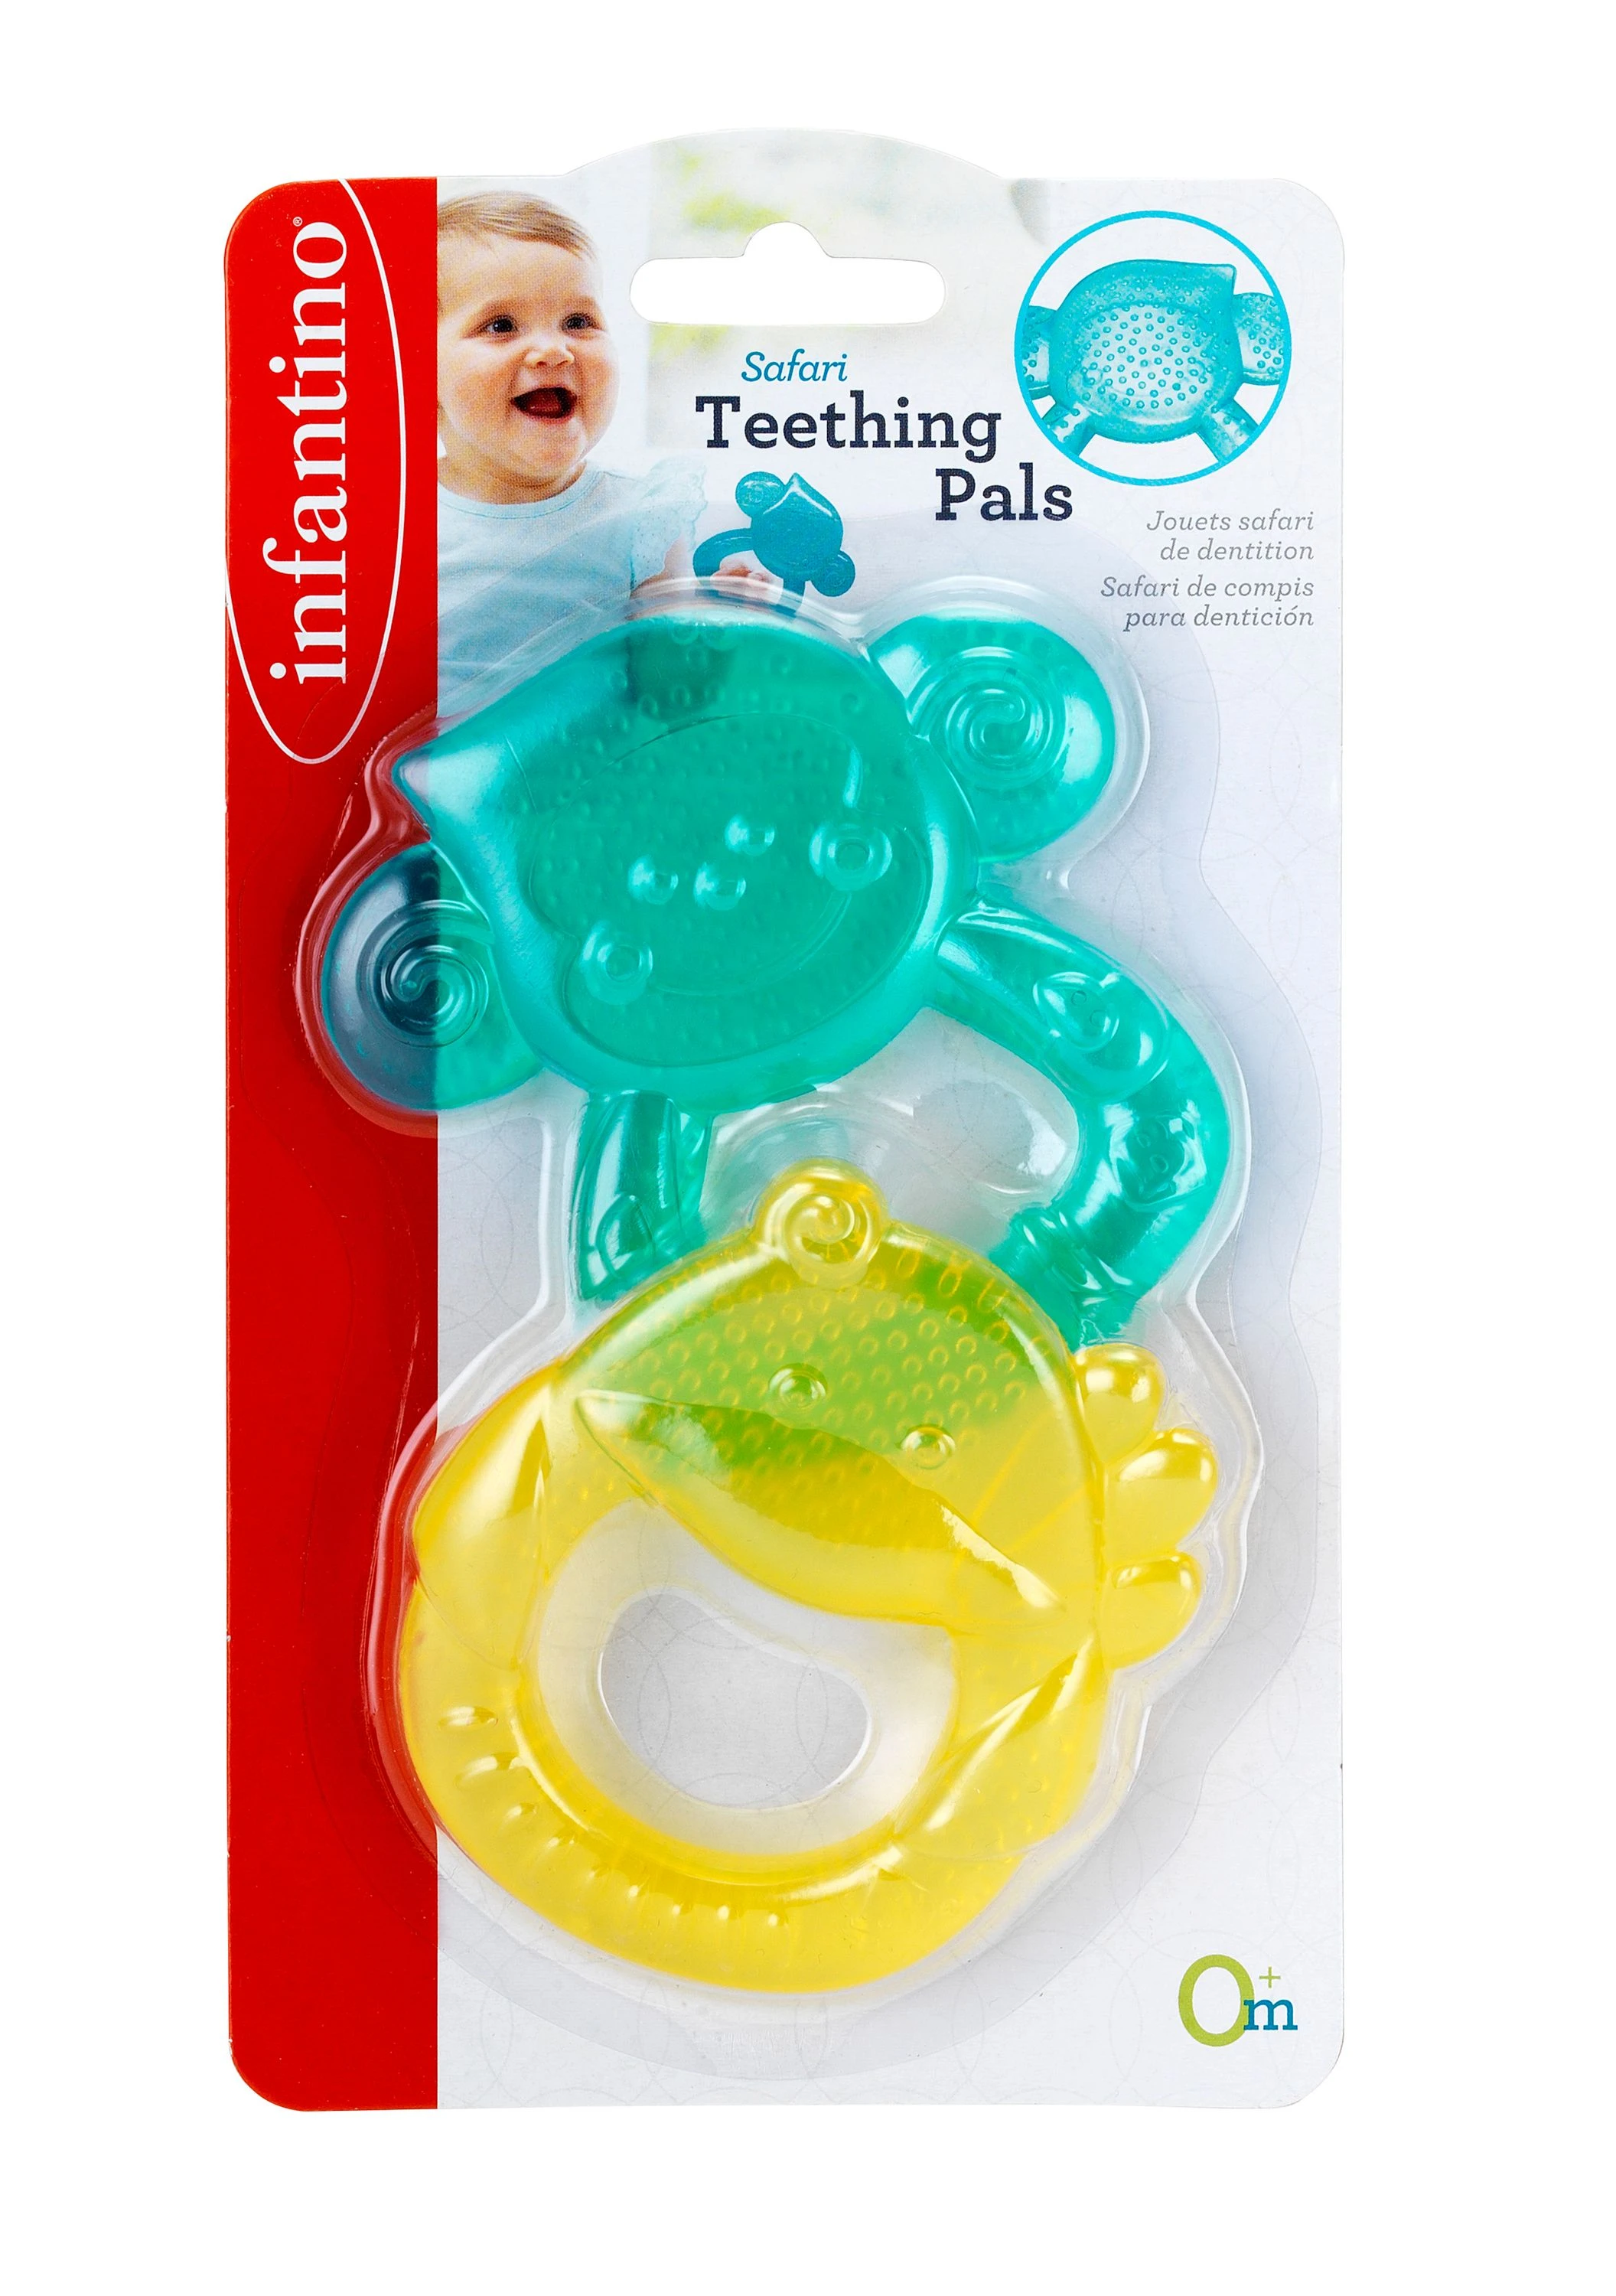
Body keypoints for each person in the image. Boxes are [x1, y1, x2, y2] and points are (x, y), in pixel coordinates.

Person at [436, 190, 761, 716]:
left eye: (578, 322)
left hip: (593, 767)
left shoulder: (641, 520)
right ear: (416, 373)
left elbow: (667, 698)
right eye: (501, 326)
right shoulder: (389, 524)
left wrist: (713, 635)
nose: (554, 349)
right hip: (428, 768)